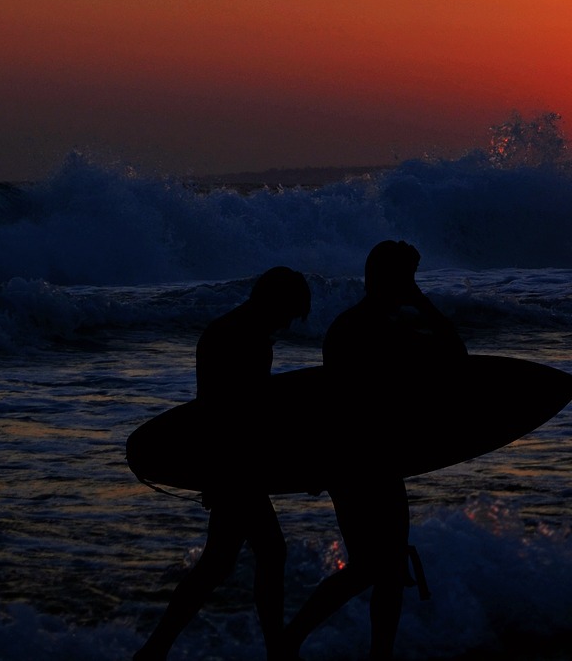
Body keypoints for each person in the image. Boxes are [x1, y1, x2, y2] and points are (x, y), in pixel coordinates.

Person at [282, 240, 466, 660]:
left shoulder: (371, 322)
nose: (414, 286)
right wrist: (421, 302)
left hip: (375, 457)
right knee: (373, 566)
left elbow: (454, 358)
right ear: (392, 279)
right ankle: (291, 639)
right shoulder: (372, 327)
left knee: (388, 568)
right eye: (409, 278)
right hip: (355, 459)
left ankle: (375, 652)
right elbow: (455, 356)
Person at [135, 266, 311, 661]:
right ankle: (276, 651)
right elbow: (242, 417)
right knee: (267, 553)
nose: (286, 323)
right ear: (275, 302)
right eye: (288, 312)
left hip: (225, 461)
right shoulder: (246, 339)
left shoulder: (225, 330)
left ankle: (155, 650)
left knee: (217, 564)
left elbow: (221, 412)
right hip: (235, 465)